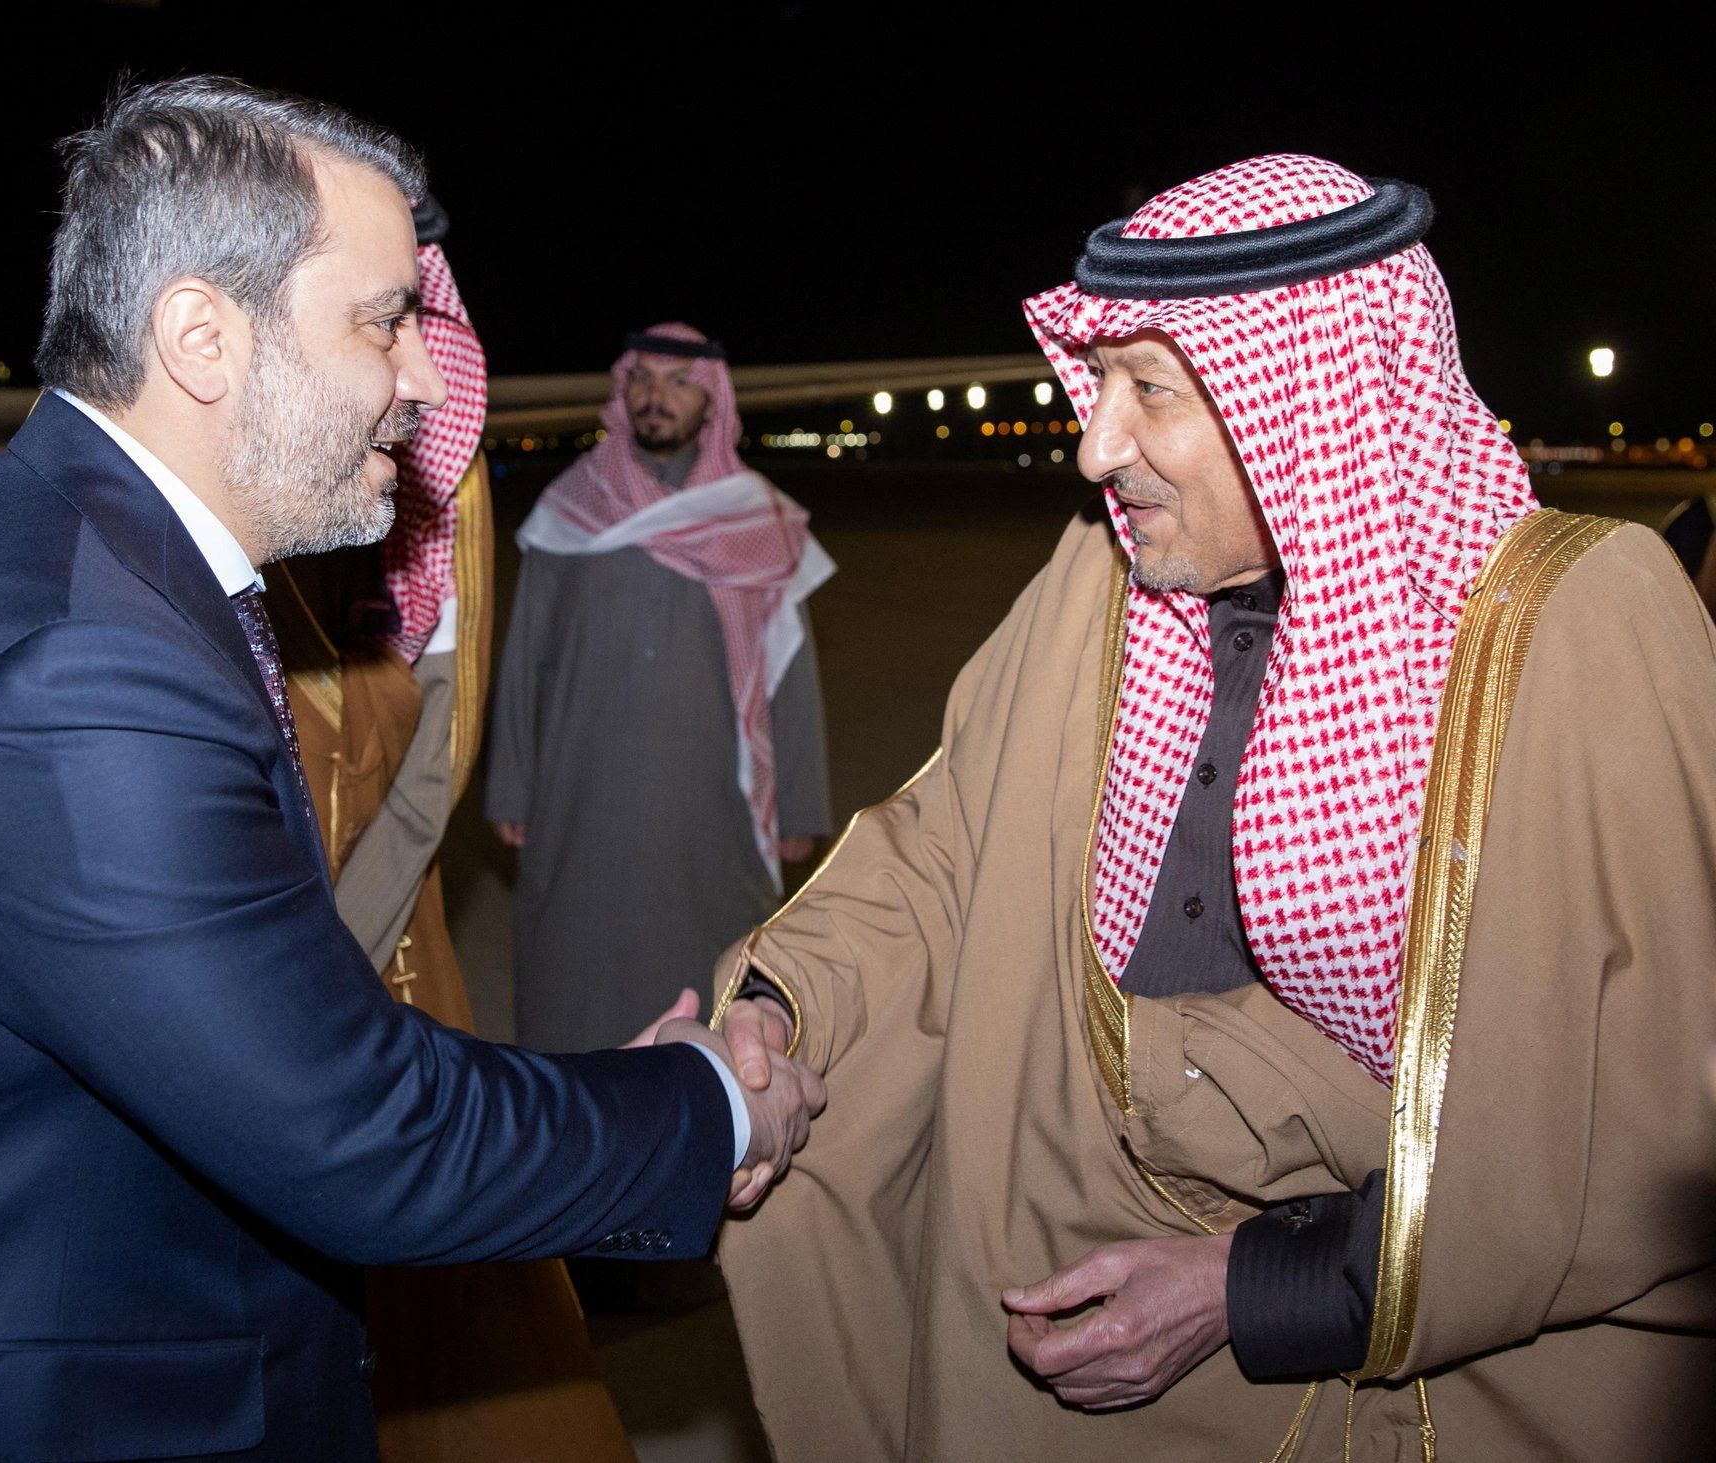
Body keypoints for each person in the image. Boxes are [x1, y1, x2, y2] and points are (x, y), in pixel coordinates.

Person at [0, 78, 823, 1463]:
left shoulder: (98, 566)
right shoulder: (81, 671)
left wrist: (592, 1098)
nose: (423, 379)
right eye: (382, 322)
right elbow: (360, 1134)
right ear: (203, 338)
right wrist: (709, 1101)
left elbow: (276, 1044)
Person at [711, 156, 1716, 1460]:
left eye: (1150, 390)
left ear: (1307, 403)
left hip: (1390, 1328)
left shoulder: (1573, 625)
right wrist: (776, 1009)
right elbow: (943, 852)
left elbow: (1650, 1110)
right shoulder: (1097, 579)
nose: (1094, 445)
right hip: (1056, 1252)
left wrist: (1257, 1286)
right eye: (1097, 382)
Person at [263, 193, 635, 1461]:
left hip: (380, 945)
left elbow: (433, 760)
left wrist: (333, 957)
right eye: (379, 325)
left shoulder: (430, 489)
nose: (414, 372)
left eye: (416, 323)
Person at [485, 325, 834, 1054]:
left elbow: (789, 674)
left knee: (705, 975)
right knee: (574, 972)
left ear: (712, 402)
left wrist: (799, 804)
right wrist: (511, 786)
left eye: (679, 382)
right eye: (643, 379)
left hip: (708, 798)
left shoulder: (754, 520)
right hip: (579, 793)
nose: (656, 396)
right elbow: (525, 658)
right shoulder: (572, 504)